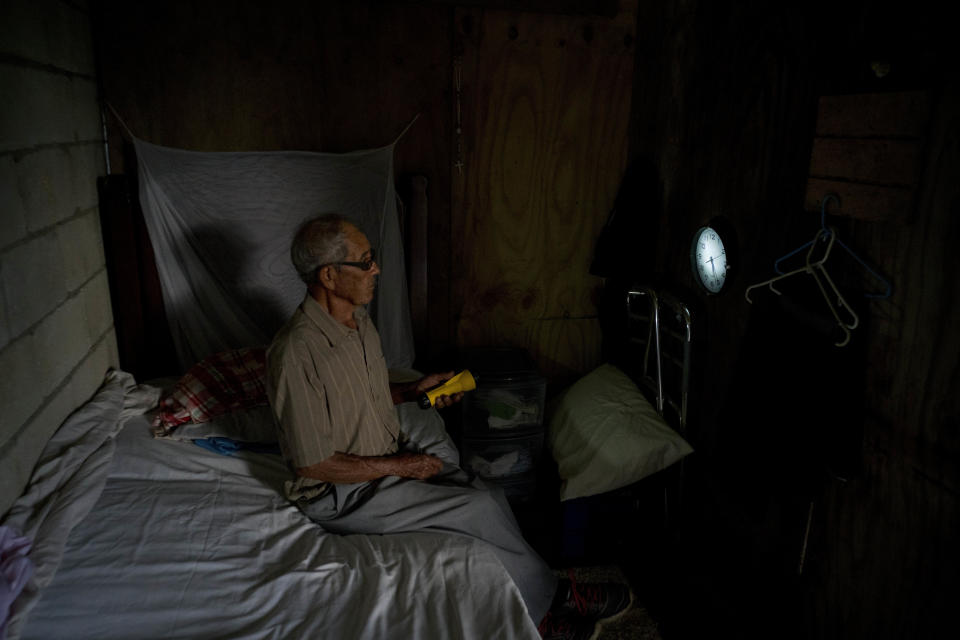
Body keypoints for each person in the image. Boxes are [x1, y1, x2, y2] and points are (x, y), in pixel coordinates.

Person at [265, 214, 628, 640]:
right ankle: (547, 610)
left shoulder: (358, 322)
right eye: (365, 262)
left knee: (488, 493)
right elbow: (314, 464)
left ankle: (545, 595)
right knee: (476, 509)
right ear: (329, 275)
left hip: (384, 463)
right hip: (343, 493)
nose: (376, 269)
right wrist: (402, 466)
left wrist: (414, 389)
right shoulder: (294, 353)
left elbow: (365, 393)